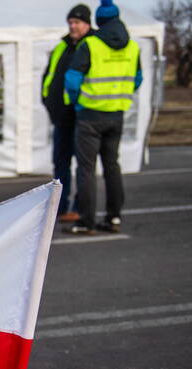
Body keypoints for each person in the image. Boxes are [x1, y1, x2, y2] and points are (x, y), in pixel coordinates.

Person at [64, 0, 142, 235]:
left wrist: (78, 101)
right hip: (116, 114)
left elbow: (72, 79)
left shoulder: (91, 45)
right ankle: (114, 217)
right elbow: (137, 79)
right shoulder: (132, 47)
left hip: (90, 114)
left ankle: (86, 221)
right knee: (112, 166)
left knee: (86, 169)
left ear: (98, 21)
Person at [42, 4, 93, 223]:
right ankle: (59, 207)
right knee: (60, 163)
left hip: (82, 117)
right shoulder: (63, 46)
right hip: (61, 117)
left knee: (84, 166)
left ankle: (80, 207)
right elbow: (50, 74)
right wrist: (46, 98)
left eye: (77, 22)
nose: (73, 26)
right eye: (71, 22)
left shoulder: (92, 45)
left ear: (87, 23)